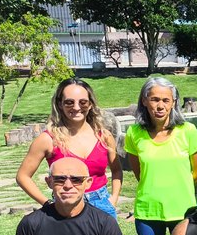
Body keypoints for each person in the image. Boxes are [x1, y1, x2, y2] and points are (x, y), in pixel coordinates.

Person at [125, 77, 197, 235]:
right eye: (154, 99)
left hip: (183, 211)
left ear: (174, 103)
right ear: (144, 101)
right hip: (148, 212)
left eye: (166, 100)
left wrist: (179, 187)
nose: (160, 106)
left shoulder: (188, 130)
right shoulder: (134, 133)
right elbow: (140, 174)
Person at [17, 77, 122, 219]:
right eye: (69, 102)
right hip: (64, 208)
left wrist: (113, 199)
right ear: (60, 104)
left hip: (102, 205)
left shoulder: (104, 136)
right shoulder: (48, 139)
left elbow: (116, 170)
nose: (77, 107)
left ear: (90, 104)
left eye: (83, 102)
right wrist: (47, 204)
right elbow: (23, 176)